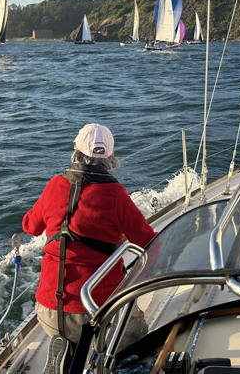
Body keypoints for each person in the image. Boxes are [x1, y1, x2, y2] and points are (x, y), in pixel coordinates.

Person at [22, 123, 156, 373]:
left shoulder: (54, 185)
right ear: (110, 158)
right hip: (95, 312)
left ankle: (68, 348)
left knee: (68, 327)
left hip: (49, 310)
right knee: (137, 337)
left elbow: (29, 226)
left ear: (76, 152)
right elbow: (147, 240)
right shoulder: (115, 195)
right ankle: (106, 358)